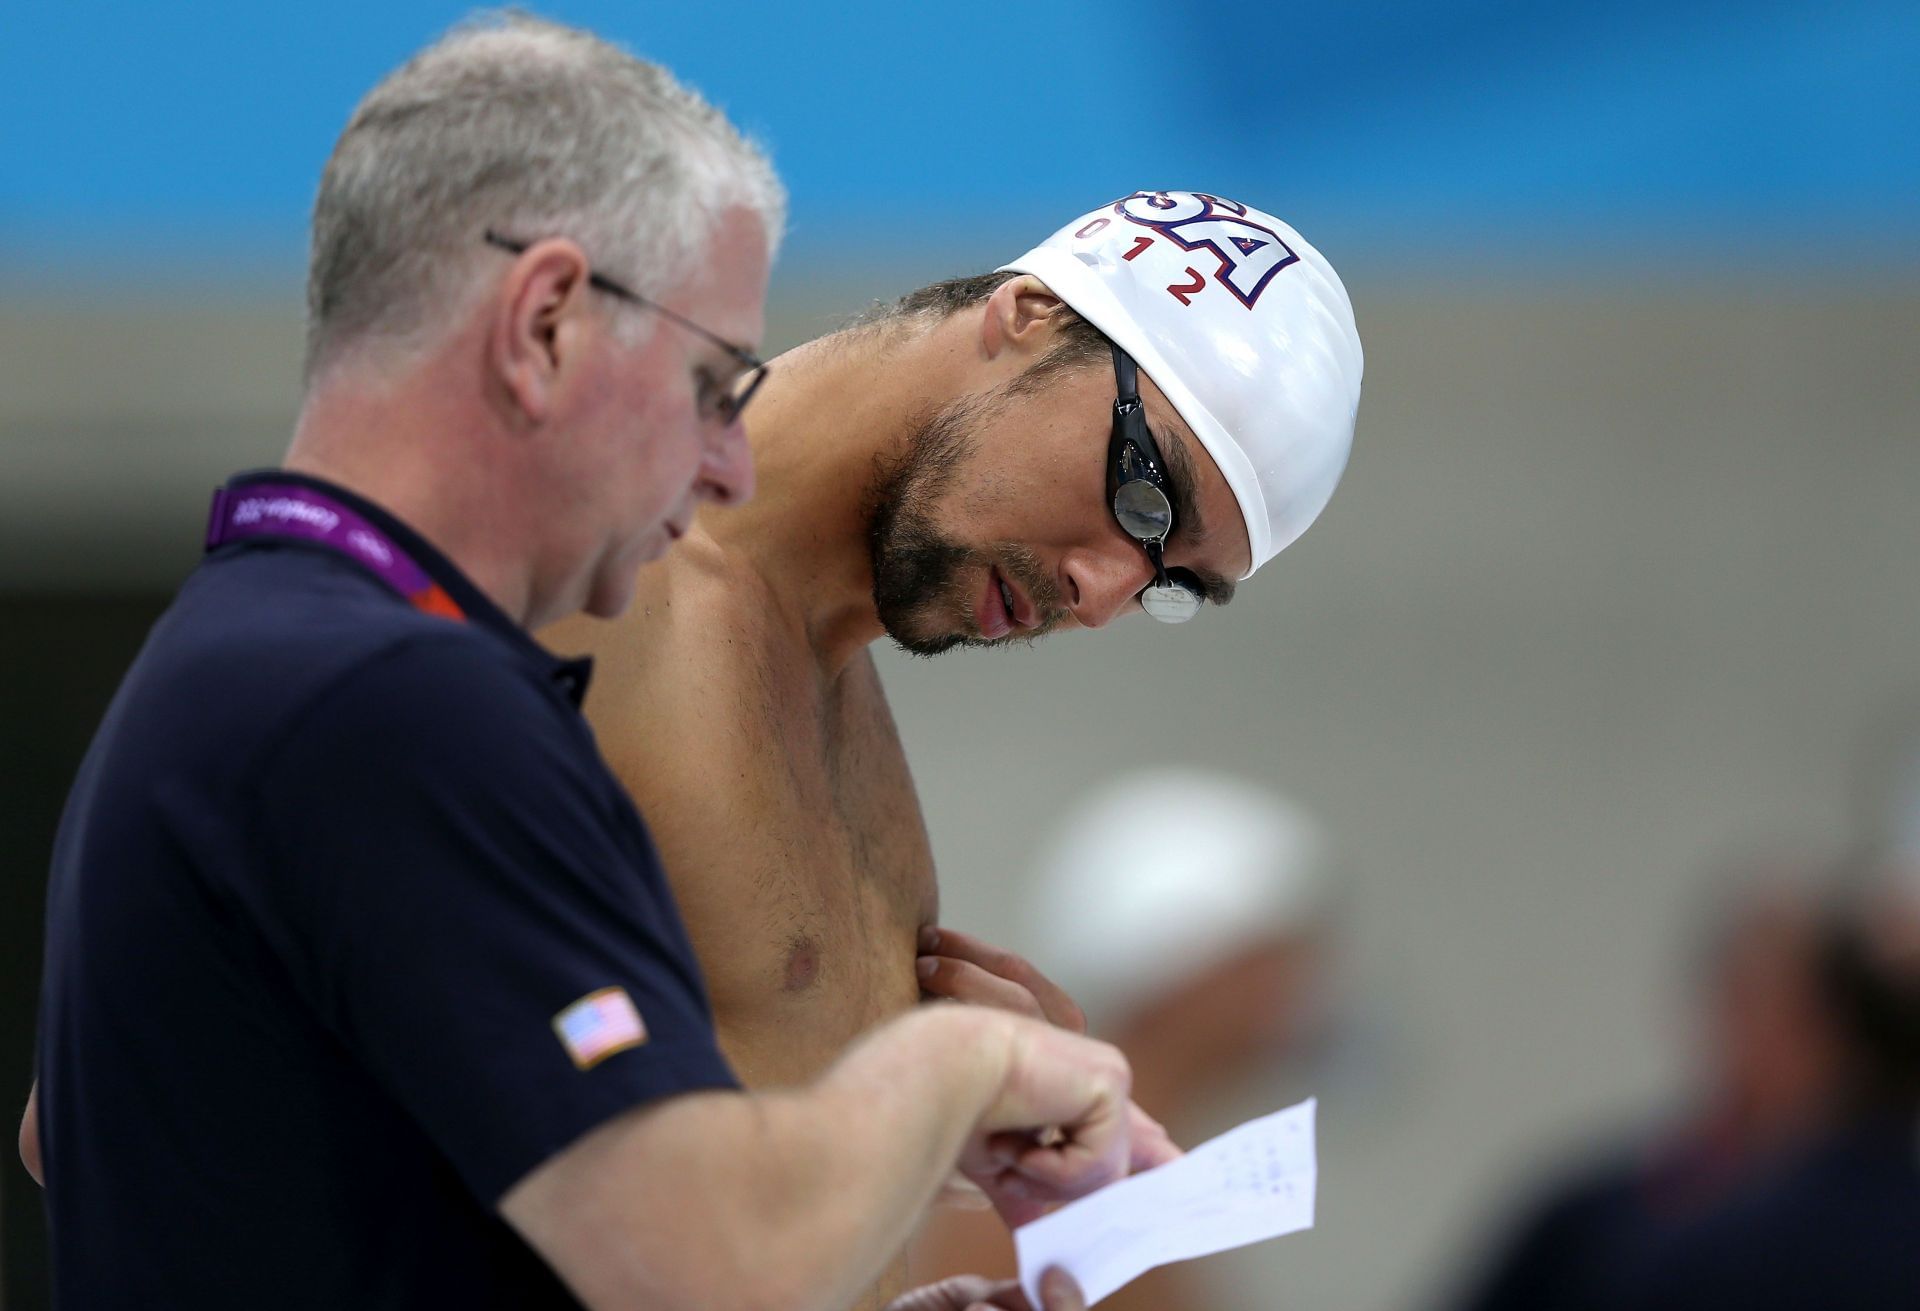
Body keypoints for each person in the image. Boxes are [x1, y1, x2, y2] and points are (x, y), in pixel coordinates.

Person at [20, 15, 1148, 1309]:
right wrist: (953, 1065)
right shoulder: (392, 700)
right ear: (547, 321)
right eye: (715, 382)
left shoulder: (249, 645)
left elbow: (138, 1138)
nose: (729, 460)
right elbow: (702, 1265)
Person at [539, 184, 1364, 1299]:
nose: (1109, 593)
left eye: (1174, 582)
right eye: (1146, 494)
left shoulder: (840, 704)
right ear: (1026, 315)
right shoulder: (592, 578)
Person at [914, 769, 1340, 1309]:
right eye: (1281, 956)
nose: (1309, 984)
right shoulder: (1067, 1190)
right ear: (1191, 969)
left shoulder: (1108, 1178)